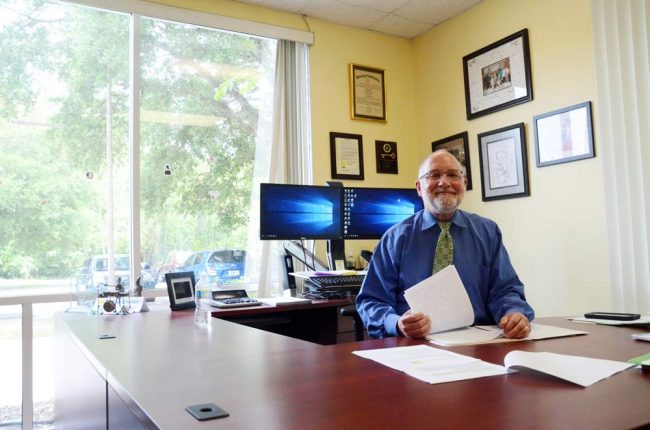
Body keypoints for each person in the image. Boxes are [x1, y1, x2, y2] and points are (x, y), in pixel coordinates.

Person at [356, 150, 534, 339]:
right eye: (434, 175)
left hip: (477, 342)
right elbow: (371, 300)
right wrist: (397, 323)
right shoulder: (395, 238)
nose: (444, 182)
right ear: (419, 187)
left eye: (452, 175)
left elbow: (504, 289)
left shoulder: (487, 232)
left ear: (464, 184)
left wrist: (513, 314)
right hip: (412, 346)